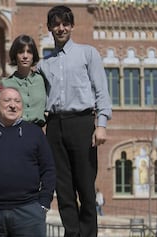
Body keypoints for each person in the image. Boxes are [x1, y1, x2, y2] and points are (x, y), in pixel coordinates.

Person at [38, 5, 112, 237]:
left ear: (71, 26)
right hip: (55, 125)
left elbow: (101, 91)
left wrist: (101, 124)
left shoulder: (87, 53)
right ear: (50, 27)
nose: (61, 28)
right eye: (56, 24)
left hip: (81, 122)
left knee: (85, 184)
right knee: (63, 186)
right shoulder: (44, 64)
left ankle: (88, 233)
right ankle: (72, 233)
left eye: (65, 23)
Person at [0, 87, 56, 237]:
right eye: (7, 100)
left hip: (28, 214)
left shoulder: (35, 133)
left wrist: (44, 203)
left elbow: (49, 170)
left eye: (17, 101)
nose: (13, 105)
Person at [0, 34, 46, 127]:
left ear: (34, 55)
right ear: (15, 55)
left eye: (29, 52)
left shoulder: (41, 80)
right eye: (21, 52)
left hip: (37, 132)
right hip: (14, 131)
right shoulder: (5, 84)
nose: (25, 56)